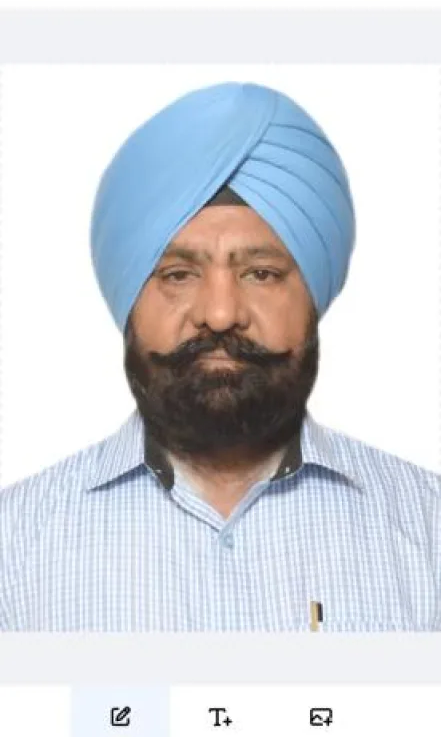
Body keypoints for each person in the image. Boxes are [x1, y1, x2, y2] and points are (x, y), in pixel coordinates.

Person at [0, 81, 439, 632]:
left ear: (313, 297)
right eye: (178, 275)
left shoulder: (427, 530)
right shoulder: (16, 544)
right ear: (128, 299)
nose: (221, 313)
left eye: (261, 274)